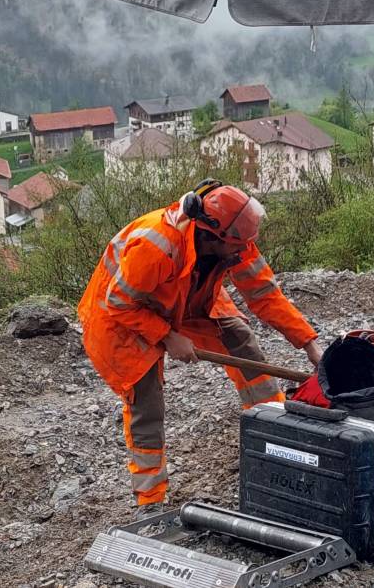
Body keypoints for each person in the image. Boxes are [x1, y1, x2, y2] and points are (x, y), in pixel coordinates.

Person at [78, 180, 323, 513]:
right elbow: (119, 302)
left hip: (185, 298)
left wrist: (310, 344)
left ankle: (276, 439)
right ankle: (150, 501)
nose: (243, 252)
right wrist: (167, 336)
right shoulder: (158, 245)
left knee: (241, 343)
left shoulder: (233, 238)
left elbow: (264, 294)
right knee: (146, 402)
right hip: (121, 316)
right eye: (238, 246)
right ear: (212, 235)